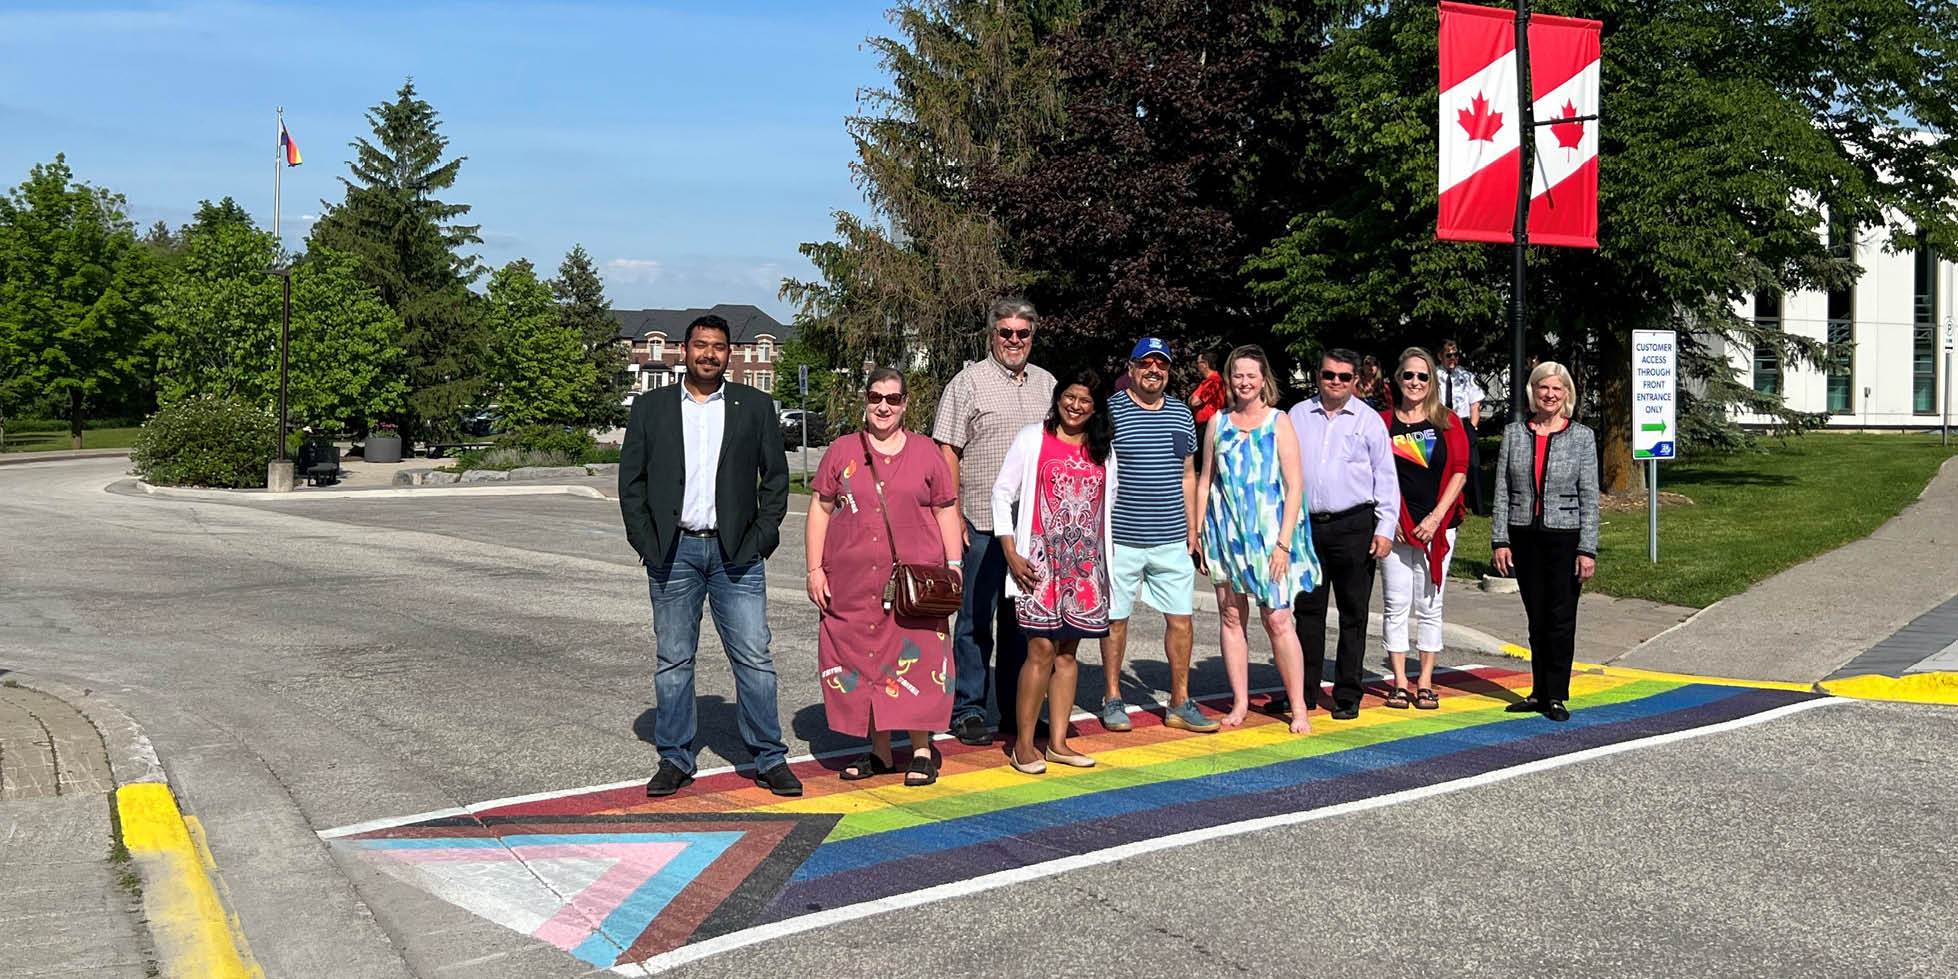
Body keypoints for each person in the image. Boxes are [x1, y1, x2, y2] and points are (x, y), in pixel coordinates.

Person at [619, 314, 800, 798]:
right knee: (674, 660)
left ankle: (769, 757)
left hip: (736, 554)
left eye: (718, 347)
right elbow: (631, 481)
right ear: (685, 350)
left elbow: (776, 480)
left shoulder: (754, 407)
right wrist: (646, 539)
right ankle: (674, 758)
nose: (709, 354)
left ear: (729, 354)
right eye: (701, 345)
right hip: (673, 551)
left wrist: (761, 536)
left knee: (754, 658)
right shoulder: (651, 407)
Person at [805, 368, 965, 786]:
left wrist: (955, 565)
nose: (883, 406)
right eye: (876, 397)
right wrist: (814, 568)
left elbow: (946, 507)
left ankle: (922, 750)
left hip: (915, 585)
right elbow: (821, 508)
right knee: (863, 663)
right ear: (865, 399)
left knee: (918, 659)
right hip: (853, 585)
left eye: (893, 399)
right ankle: (879, 753)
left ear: (906, 403)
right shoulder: (842, 451)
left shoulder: (927, 451)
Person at [932, 298, 1058, 746]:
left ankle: (1016, 710)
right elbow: (948, 449)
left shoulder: (1047, 384)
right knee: (973, 621)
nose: (1014, 341)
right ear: (992, 335)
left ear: (1033, 336)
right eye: (1006, 332)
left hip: (1031, 530)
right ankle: (968, 708)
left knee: (1023, 624)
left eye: (1023, 333)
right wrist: (953, 516)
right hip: (981, 523)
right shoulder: (967, 383)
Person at [993, 371, 1119, 773]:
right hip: (1039, 564)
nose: (1076, 405)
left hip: (1083, 569)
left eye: (1085, 399)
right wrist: (1010, 550)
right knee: (1040, 650)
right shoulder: (1034, 438)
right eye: (1069, 396)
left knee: (1068, 652)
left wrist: (1101, 569)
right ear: (1058, 397)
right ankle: (1024, 745)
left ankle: (1060, 742)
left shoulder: (1103, 449)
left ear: (1095, 407)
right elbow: (1002, 492)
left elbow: (1107, 509)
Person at [1098, 338, 1218, 735]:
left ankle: (1180, 702)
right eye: (1146, 363)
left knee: (1181, 621)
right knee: (1116, 621)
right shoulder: (1111, 412)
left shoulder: (1183, 414)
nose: (1154, 370)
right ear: (1131, 368)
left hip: (1171, 537)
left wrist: (1193, 529)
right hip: (1122, 537)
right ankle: (1112, 697)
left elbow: (1189, 473)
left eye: (1161, 365)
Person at [1197, 346, 1320, 733]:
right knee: (1231, 616)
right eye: (1237, 375)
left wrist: (1284, 544)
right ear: (1229, 379)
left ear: (1263, 378)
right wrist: (1196, 532)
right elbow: (1205, 480)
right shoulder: (1218, 423)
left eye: (1251, 375)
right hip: (1226, 533)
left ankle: (1298, 706)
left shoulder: (1279, 422)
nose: (1244, 382)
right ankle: (1239, 702)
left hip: (1271, 538)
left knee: (1279, 619)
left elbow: (1296, 485)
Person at [1290, 348, 1400, 721]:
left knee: (1353, 613)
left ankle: (1347, 693)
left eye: (1343, 377)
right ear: (1317, 376)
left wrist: (1385, 529)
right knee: (1307, 613)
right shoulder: (1297, 416)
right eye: (1327, 375)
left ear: (1355, 381)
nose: (1335, 382)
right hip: (1306, 527)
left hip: (1354, 525)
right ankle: (1303, 691)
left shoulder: (1369, 421)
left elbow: (1385, 478)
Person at [1492, 362, 1600, 723]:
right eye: (1543, 389)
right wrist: (1500, 539)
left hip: (1565, 537)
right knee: (1536, 617)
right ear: (1533, 392)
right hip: (1524, 535)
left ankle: (1556, 693)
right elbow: (1502, 490)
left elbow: (1589, 496)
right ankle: (1538, 691)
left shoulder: (1582, 437)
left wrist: (1587, 549)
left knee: (1560, 617)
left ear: (1566, 394)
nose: (1550, 395)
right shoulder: (1514, 434)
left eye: (1557, 389)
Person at [1379, 347, 1470, 711]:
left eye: (1422, 376)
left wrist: (1434, 519)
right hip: (1396, 527)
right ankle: (1400, 682)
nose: (1415, 382)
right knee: (1395, 605)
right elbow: (1375, 475)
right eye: (1409, 375)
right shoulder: (1383, 422)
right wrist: (1393, 521)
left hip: (1438, 526)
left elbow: (1460, 471)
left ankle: (1426, 681)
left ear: (1431, 382)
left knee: (1430, 605)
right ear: (1398, 379)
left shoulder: (1449, 422)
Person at [1438, 340, 1487, 515]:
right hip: (1441, 422)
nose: (1453, 358)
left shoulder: (1466, 376)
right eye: (1448, 355)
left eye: (1455, 355)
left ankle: (1476, 505)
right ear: (1440, 356)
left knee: (1472, 463)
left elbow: (1475, 404)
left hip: (1463, 422)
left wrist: (1473, 427)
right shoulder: (1434, 376)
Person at [1188, 349, 1227, 428]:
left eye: (1198, 362)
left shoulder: (1213, 382)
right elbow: (1190, 401)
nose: (1197, 365)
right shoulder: (1208, 381)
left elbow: (1194, 402)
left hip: (1209, 425)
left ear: (1205, 364)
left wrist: (1192, 399)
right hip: (1207, 424)